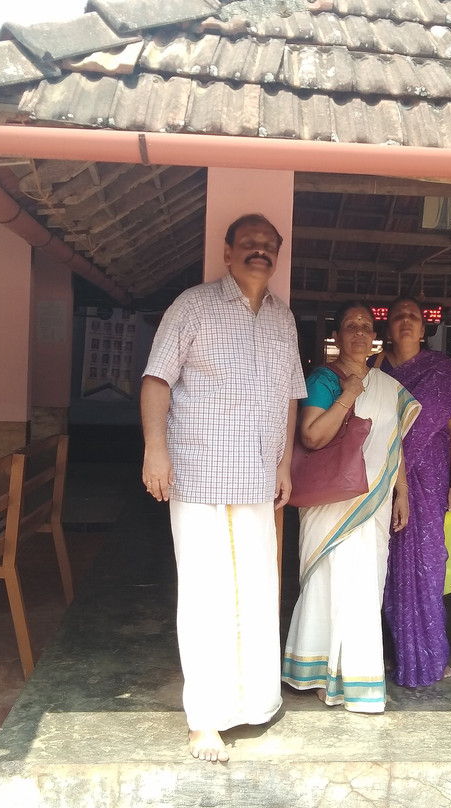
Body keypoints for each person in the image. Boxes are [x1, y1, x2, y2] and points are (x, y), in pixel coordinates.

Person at [140, 213, 306, 762]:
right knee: (205, 597)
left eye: (270, 246)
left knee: (258, 592)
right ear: (228, 250)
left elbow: (289, 399)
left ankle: (256, 702)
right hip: (198, 473)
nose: (261, 252)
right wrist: (154, 449)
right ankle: (205, 720)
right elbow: (156, 379)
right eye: (250, 243)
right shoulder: (192, 305)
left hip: (258, 478)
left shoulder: (284, 321)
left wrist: (283, 465)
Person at [281, 302, 421, 712]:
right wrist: (349, 393)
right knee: (331, 582)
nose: (359, 331)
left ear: (374, 335)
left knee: (364, 585)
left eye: (366, 325)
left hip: (373, 502)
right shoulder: (325, 378)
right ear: (338, 337)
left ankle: (353, 674)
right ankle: (323, 673)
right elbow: (311, 436)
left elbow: (392, 445)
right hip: (332, 501)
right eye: (350, 325)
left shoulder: (386, 385)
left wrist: (402, 493)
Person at [370, 296, 451, 687]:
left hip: (431, 480)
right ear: (387, 327)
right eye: (398, 316)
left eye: (413, 317)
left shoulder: (441, 371)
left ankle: (429, 653)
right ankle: (389, 652)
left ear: (424, 327)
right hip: (383, 480)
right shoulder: (374, 371)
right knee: (384, 570)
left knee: (428, 569)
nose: (405, 322)